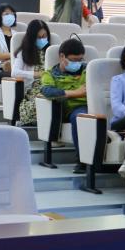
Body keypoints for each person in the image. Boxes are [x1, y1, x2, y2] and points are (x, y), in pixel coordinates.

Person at [39, 37, 88, 172]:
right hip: (71, 110)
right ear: (62, 56)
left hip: (94, 105)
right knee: (81, 116)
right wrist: (75, 93)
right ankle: (82, 161)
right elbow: (47, 91)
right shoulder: (50, 74)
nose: (77, 63)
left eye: (80, 60)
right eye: (73, 60)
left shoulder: (88, 70)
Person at [12, 19, 51, 126]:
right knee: (44, 101)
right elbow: (14, 72)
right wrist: (35, 74)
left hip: (50, 85)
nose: (42, 39)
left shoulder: (51, 51)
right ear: (32, 37)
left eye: (44, 36)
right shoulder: (24, 52)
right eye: (39, 37)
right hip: (34, 88)